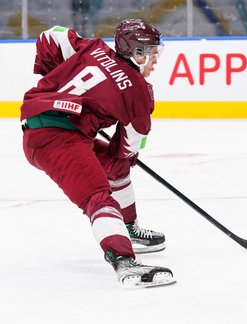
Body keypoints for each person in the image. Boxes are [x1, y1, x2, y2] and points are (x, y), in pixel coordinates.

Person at [20, 19, 175, 288]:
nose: (155, 60)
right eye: (151, 52)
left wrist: (55, 78)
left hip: (45, 127)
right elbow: (130, 145)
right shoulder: (139, 92)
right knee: (99, 198)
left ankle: (128, 229)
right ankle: (124, 262)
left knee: (117, 168)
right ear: (136, 52)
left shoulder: (92, 47)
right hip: (56, 139)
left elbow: (52, 37)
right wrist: (124, 154)